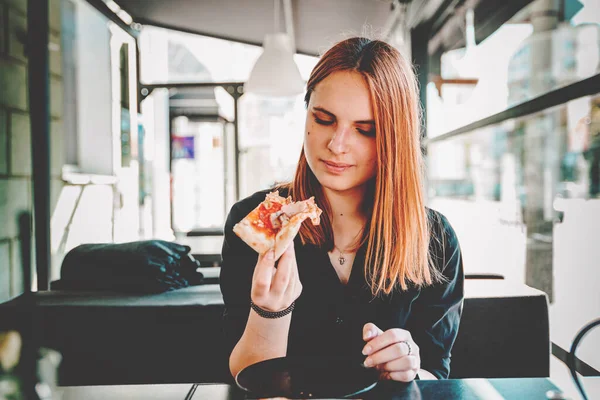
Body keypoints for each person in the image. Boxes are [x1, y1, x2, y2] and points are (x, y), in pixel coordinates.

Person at [220, 37, 464, 383]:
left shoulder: (433, 239)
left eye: (365, 130)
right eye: (323, 119)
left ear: (394, 139)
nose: (336, 145)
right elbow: (244, 376)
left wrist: (409, 367)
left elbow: (436, 372)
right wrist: (269, 312)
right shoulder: (255, 221)